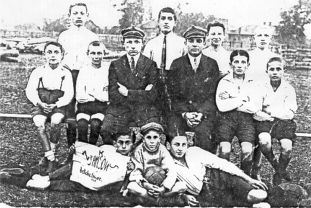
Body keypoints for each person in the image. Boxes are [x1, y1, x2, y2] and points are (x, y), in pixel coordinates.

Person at [0, 132, 136, 192]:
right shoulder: (107, 149)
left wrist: (128, 174)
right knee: (71, 167)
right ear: (115, 143)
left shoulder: (131, 160)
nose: (124, 146)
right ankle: (44, 177)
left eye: (127, 143)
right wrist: (73, 152)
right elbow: (83, 159)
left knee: (50, 185)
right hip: (79, 173)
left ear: (132, 144)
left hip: (86, 184)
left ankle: (16, 178)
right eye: (120, 143)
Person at [58, 2, 107, 153]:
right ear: (70, 16)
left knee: (88, 114)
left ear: (87, 16)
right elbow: (60, 57)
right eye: (75, 13)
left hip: (85, 76)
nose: (78, 16)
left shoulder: (92, 36)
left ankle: (89, 152)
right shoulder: (64, 35)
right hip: (68, 76)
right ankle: (72, 152)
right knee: (71, 118)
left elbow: (95, 58)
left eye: (81, 13)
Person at [166, 135, 268, 207]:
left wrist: (249, 179)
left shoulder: (193, 151)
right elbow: (169, 189)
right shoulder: (166, 163)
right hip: (205, 193)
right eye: (176, 144)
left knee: (259, 195)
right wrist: (184, 196)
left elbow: (222, 164)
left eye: (184, 145)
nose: (180, 149)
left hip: (219, 179)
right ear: (168, 146)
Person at [102, 26, 163, 138]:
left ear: (142, 44)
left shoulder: (150, 65)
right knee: (106, 128)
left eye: (137, 42)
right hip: (121, 107)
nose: (133, 46)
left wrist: (127, 93)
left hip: (144, 108)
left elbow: (152, 95)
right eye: (129, 42)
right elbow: (113, 94)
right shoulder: (115, 65)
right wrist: (141, 93)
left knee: (152, 132)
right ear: (123, 44)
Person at [167, 25, 220, 152]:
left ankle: (203, 168)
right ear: (185, 43)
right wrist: (185, 114)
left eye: (199, 41)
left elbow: (213, 95)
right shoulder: (176, 64)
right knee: (175, 136)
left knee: (206, 138)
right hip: (182, 113)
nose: (195, 44)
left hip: (203, 114)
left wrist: (201, 114)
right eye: (191, 41)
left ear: (204, 43)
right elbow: (172, 94)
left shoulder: (212, 64)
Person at [25, 41, 74, 173]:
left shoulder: (65, 73)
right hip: (41, 104)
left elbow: (69, 94)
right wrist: (39, 103)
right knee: (39, 123)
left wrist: (56, 105)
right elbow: (30, 91)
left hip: (57, 105)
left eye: (56, 52)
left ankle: (49, 156)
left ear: (62, 55)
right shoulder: (38, 71)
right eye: (49, 52)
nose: (53, 55)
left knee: (56, 121)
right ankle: (51, 158)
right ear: (44, 55)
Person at [253, 57, 297, 185]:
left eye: (278, 69)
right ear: (267, 71)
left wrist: (270, 111)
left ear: (283, 71)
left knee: (287, 148)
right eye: (272, 69)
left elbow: (289, 114)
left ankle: (278, 174)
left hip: (284, 123)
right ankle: (278, 168)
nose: (275, 72)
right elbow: (256, 111)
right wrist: (267, 114)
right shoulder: (261, 87)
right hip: (265, 121)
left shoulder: (289, 89)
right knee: (264, 141)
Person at [216, 49, 260, 175]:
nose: (240, 65)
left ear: (248, 65)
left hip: (246, 120)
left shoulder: (253, 82)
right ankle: (224, 178)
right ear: (231, 64)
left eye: (243, 62)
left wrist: (232, 99)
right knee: (224, 150)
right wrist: (243, 99)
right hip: (226, 119)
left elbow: (254, 107)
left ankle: (244, 178)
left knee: (247, 150)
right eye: (236, 62)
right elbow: (222, 107)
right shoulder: (224, 82)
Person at [248, 25, 281, 180]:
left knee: (262, 135)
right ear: (254, 38)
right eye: (259, 35)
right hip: (251, 99)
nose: (262, 38)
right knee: (250, 137)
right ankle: (246, 169)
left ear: (270, 38)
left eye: (266, 36)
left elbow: (278, 82)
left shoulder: (274, 57)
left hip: (266, 101)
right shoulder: (249, 56)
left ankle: (256, 170)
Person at [143, 7, 186, 116]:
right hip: (156, 82)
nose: (166, 21)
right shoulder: (151, 44)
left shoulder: (182, 43)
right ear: (158, 22)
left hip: (175, 83)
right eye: (163, 18)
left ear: (175, 23)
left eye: (170, 19)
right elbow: (145, 69)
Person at [126, 122, 177, 202]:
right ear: (143, 139)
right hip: (145, 184)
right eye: (149, 137)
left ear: (159, 139)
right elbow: (136, 172)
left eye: (155, 137)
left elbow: (171, 170)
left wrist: (163, 188)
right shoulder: (138, 151)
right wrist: (146, 185)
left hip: (161, 183)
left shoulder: (163, 150)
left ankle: (159, 196)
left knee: (182, 186)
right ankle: (155, 200)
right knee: (131, 186)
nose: (152, 141)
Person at [75, 41, 109, 145]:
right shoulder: (84, 70)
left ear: (104, 53)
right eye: (93, 53)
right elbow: (80, 95)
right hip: (84, 106)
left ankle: (91, 148)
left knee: (95, 124)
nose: (96, 56)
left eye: (99, 53)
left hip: (101, 107)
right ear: (88, 54)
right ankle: (82, 150)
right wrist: (98, 94)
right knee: (82, 124)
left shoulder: (108, 70)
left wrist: (91, 93)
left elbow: (107, 96)